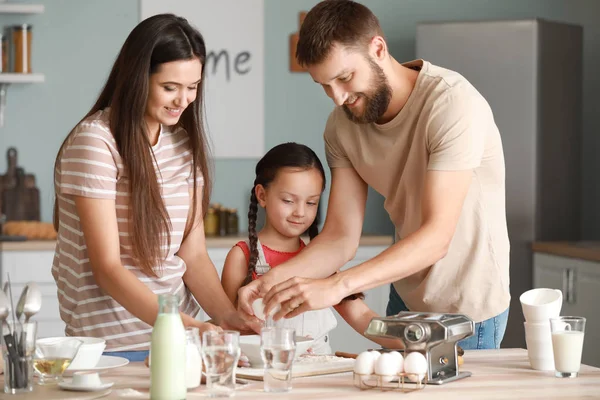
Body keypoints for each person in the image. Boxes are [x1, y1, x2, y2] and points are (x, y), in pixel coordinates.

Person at [238, 0, 510, 350]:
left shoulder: (452, 105)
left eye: (345, 77)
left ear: (378, 49)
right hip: (404, 296)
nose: (337, 98)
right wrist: (271, 281)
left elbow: (436, 237)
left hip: (467, 308)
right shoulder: (341, 126)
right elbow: (339, 236)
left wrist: (338, 286)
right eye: (324, 85)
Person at [51, 14, 260, 362]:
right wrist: (191, 327)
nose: (184, 100)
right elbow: (107, 269)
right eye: (170, 87)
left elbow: (192, 256)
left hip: (180, 340)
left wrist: (228, 318)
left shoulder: (182, 145)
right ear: (137, 78)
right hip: (115, 347)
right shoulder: (95, 143)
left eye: (193, 87)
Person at [222, 142, 403, 353]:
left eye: (311, 203)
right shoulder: (241, 257)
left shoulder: (320, 260)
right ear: (262, 195)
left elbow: (360, 315)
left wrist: (413, 343)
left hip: (318, 370)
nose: (300, 212)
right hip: (267, 375)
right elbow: (227, 324)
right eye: (288, 200)